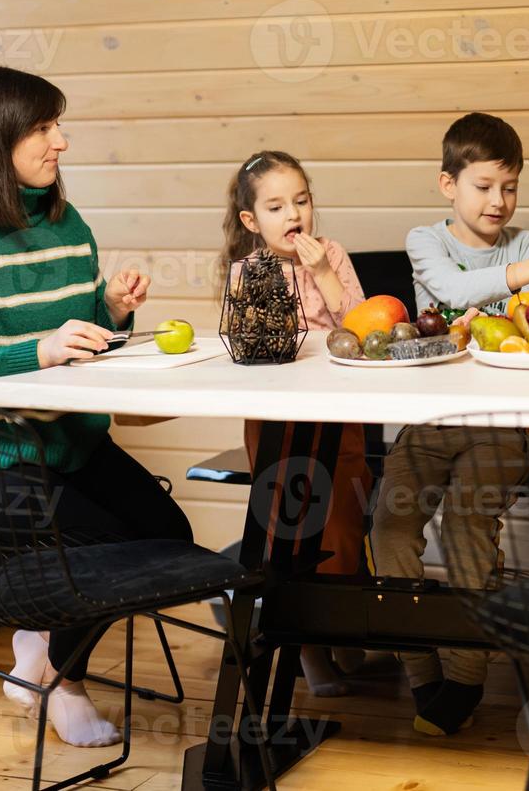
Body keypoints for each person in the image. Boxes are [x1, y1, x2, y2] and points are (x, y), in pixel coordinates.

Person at [0, 66, 192, 748]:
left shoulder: (66, 224)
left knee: (169, 537)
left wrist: (111, 312)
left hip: (67, 444)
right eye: (42, 128)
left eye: (56, 125)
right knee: (113, 551)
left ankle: (38, 653)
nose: (60, 142)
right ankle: (62, 680)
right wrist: (43, 347)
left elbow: (81, 342)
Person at [372, 112, 529, 736]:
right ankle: (418, 662)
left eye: (510, 187)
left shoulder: (528, 246)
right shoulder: (426, 239)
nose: (498, 201)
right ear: (448, 184)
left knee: (469, 527)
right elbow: (450, 291)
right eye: (483, 186)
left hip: (502, 421)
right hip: (429, 419)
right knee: (391, 527)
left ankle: (466, 676)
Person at [221, 150, 373, 697]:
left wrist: (323, 272)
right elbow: (251, 344)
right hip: (279, 420)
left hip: (337, 413)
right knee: (292, 526)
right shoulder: (247, 271)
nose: (294, 215)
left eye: (302, 201)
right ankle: (308, 646)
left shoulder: (331, 254)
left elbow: (359, 328)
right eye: (277, 205)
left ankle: (343, 622)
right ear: (251, 221)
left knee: (344, 520)